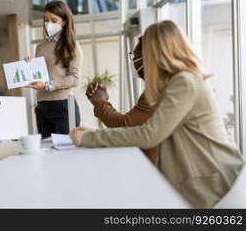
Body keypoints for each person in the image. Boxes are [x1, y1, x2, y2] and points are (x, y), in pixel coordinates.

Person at [70, 20, 244, 208]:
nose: (136, 58)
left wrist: (89, 137)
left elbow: (149, 134)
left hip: (219, 187)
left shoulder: (184, 83)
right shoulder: (175, 83)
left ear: (154, 54)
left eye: (139, 54)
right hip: (211, 184)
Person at [85, 37, 158, 164]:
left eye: (134, 55)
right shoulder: (155, 88)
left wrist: (100, 101)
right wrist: (101, 100)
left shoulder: (155, 91)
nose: (133, 60)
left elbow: (125, 125)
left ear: (147, 60)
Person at [25, 0, 83, 138]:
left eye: (53, 20)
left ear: (63, 21)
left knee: (67, 153)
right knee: (46, 151)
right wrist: (28, 67)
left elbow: (74, 79)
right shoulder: (40, 47)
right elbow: (40, 76)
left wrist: (48, 85)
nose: (48, 24)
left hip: (63, 106)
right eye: (46, 20)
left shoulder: (72, 46)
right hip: (42, 106)